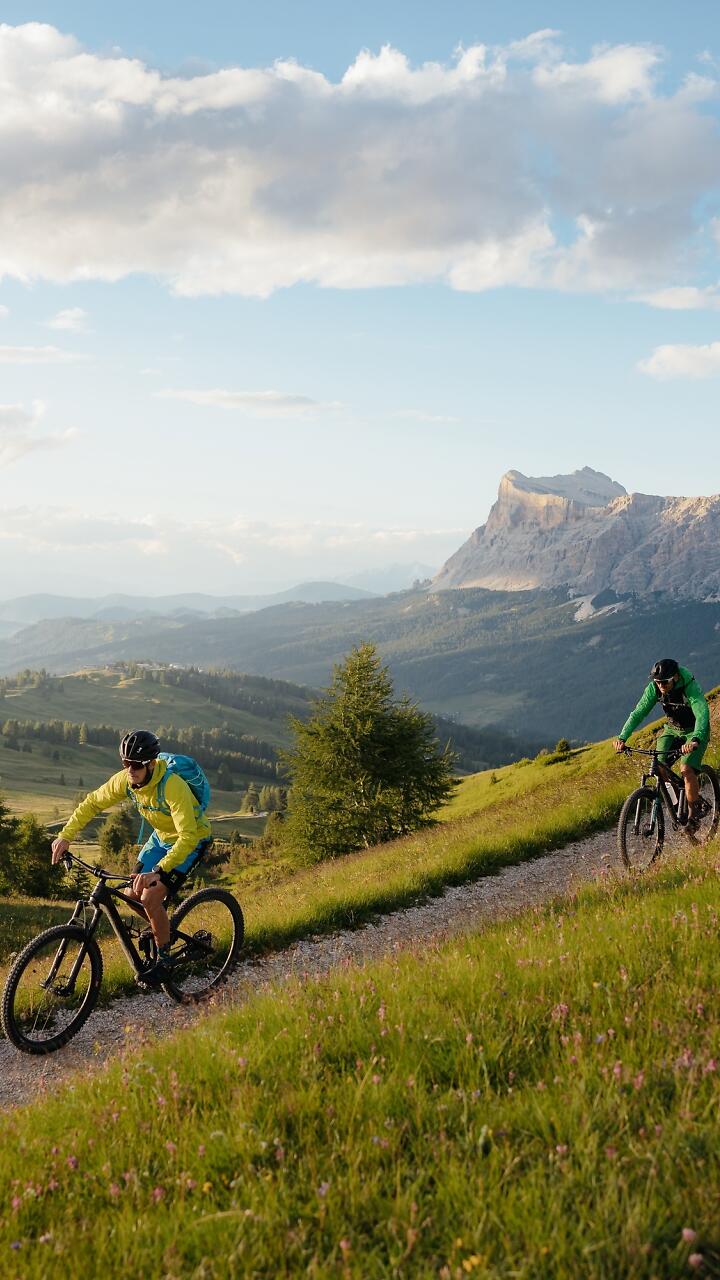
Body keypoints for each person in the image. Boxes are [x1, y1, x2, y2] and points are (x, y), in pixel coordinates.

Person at [51, 729, 212, 983]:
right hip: (161, 838)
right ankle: (163, 930)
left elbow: (188, 836)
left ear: (151, 764)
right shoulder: (126, 781)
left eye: (136, 765)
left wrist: (158, 871)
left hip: (191, 841)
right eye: (126, 763)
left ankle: (164, 960)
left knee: (149, 897)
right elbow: (93, 802)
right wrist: (65, 835)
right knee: (130, 894)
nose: (130, 770)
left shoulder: (172, 786)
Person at [614, 659, 711, 833]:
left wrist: (696, 738)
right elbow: (638, 713)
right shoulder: (654, 688)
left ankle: (694, 815)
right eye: (657, 682)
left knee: (686, 768)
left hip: (694, 732)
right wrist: (622, 737)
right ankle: (677, 803)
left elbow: (701, 711)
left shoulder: (688, 686)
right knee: (659, 767)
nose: (660, 685)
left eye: (664, 682)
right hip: (672, 730)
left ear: (675, 677)